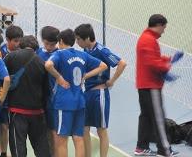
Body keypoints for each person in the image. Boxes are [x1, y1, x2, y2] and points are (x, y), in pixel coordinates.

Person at [45, 29, 107, 157]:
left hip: (64, 102)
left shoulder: (60, 54)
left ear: (61, 41)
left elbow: (48, 65)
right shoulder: (82, 55)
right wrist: (86, 76)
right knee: (78, 138)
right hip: (80, 101)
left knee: (62, 140)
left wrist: (59, 77)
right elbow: (103, 66)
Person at [74, 24, 127, 157]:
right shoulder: (86, 51)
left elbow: (122, 63)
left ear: (87, 38)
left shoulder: (102, 50)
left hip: (99, 94)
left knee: (101, 130)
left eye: (79, 39)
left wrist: (112, 81)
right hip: (87, 93)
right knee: (84, 128)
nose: (77, 42)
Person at [134, 14, 179, 157]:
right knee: (158, 118)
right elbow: (153, 63)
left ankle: (141, 147)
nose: (164, 31)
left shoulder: (147, 38)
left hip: (144, 85)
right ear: (158, 25)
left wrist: (170, 59)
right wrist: (166, 70)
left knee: (146, 116)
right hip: (151, 85)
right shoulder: (148, 40)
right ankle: (164, 150)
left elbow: (153, 58)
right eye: (164, 28)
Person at [4, 35, 51, 157]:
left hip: (17, 111)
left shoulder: (11, 57)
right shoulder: (42, 63)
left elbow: (2, 78)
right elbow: (47, 90)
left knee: (18, 146)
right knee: (41, 146)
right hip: (37, 111)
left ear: (20, 45)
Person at [0, 25, 24, 157]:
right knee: (2, 126)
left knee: (12, 127)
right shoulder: (0, 51)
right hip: (2, 94)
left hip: (16, 96)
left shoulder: (22, 52)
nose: (18, 44)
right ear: (7, 40)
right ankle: (3, 152)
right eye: (15, 41)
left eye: (19, 40)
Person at [36, 26, 60, 156]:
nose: (50, 47)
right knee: (44, 131)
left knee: (54, 131)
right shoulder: (38, 52)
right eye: (47, 44)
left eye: (53, 44)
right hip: (39, 99)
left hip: (53, 99)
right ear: (42, 40)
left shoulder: (59, 55)